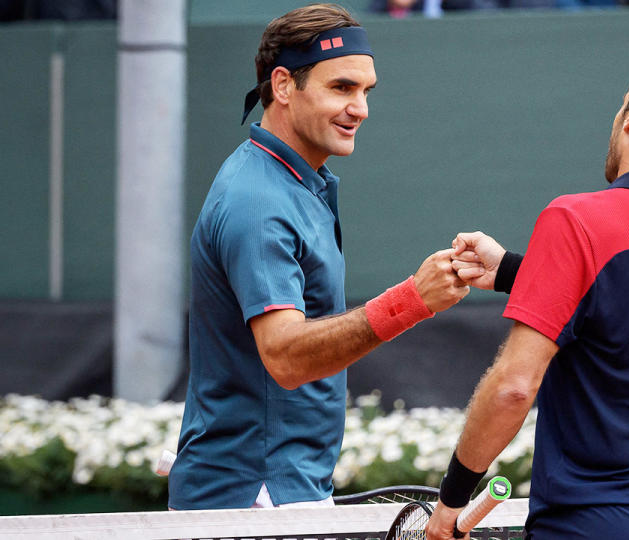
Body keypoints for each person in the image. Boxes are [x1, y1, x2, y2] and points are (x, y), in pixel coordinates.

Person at [425, 52, 629, 539]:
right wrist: (519, 271)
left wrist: (452, 501)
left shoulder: (576, 220)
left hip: (598, 524)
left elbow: (515, 386)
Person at [168, 4, 469, 510]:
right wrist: (412, 300)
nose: (361, 108)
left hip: (274, 488)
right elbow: (284, 357)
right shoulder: (259, 202)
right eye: (342, 88)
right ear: (283, 86)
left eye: (365, 91)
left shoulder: (292, 181)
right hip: (255, 497)